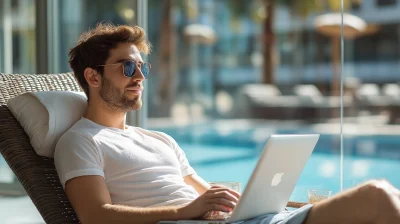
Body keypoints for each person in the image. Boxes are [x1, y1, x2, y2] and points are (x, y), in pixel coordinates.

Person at [55, 23, 400, 224]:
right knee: (376, 195)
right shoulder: (82, 141)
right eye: (128, 67)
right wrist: (185, 210)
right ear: (93, 77)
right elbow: (95, 216)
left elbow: (208, 194)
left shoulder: (158, 139)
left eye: (143, 67)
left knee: (384, 194)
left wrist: (252, 200)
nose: (140, 76)